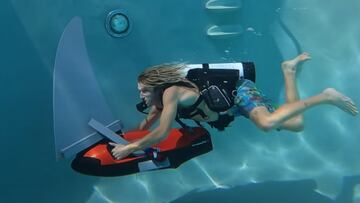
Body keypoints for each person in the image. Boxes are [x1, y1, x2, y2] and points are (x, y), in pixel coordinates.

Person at [110, 52, 358, 159]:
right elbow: (148, 125)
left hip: (239, 91)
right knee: (296, 124)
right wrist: (128, 139)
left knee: (266, 123)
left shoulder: (171, 93)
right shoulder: (158, 104)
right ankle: (289, 70)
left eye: (144, 91)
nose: (141, 96)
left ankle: (326, 97)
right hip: (228, 109)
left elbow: (162, 132)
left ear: (158, 88)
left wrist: (131, 148)